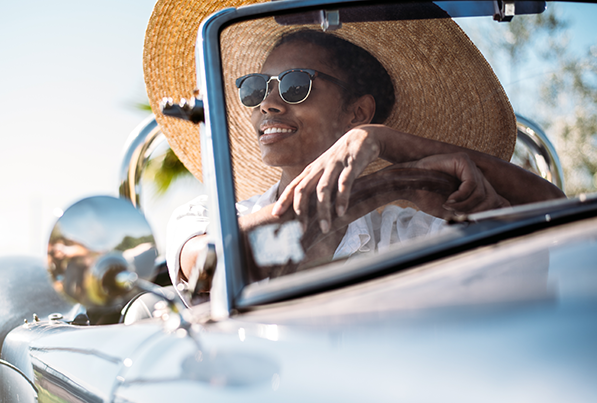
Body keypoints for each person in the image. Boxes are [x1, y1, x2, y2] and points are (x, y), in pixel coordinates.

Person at [142, 3, 565, 292]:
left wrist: (382, 141)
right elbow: (213, 271)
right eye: (254, 89)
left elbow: (554, 227)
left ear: (358, 112)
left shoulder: (410, 229)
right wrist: (384, 186)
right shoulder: (210, 216)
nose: (268, 103)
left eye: (295, 85)